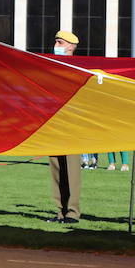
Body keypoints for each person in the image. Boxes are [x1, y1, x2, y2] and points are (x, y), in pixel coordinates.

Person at [46, 29, 83, 224]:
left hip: (71, 125)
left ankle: (73, 212)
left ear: (70, 47)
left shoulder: (78, 68)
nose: (56, 46)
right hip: (54, 123)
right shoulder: (52, 66)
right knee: (56, 169)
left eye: (60, 43)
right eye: (56, 42)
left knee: (71, 170)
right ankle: (60, 210)